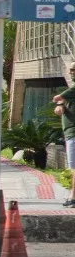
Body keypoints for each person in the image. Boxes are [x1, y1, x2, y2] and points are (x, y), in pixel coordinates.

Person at [55, 62, 75, 207]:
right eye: (70, 70)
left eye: (74, 70)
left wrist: (60, 101)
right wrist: (62, 104)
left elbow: (56, 98)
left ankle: (73, 196)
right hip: (70, 133)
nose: (71, 73)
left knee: (74, 168)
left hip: (73, 133)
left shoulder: (73, 89)